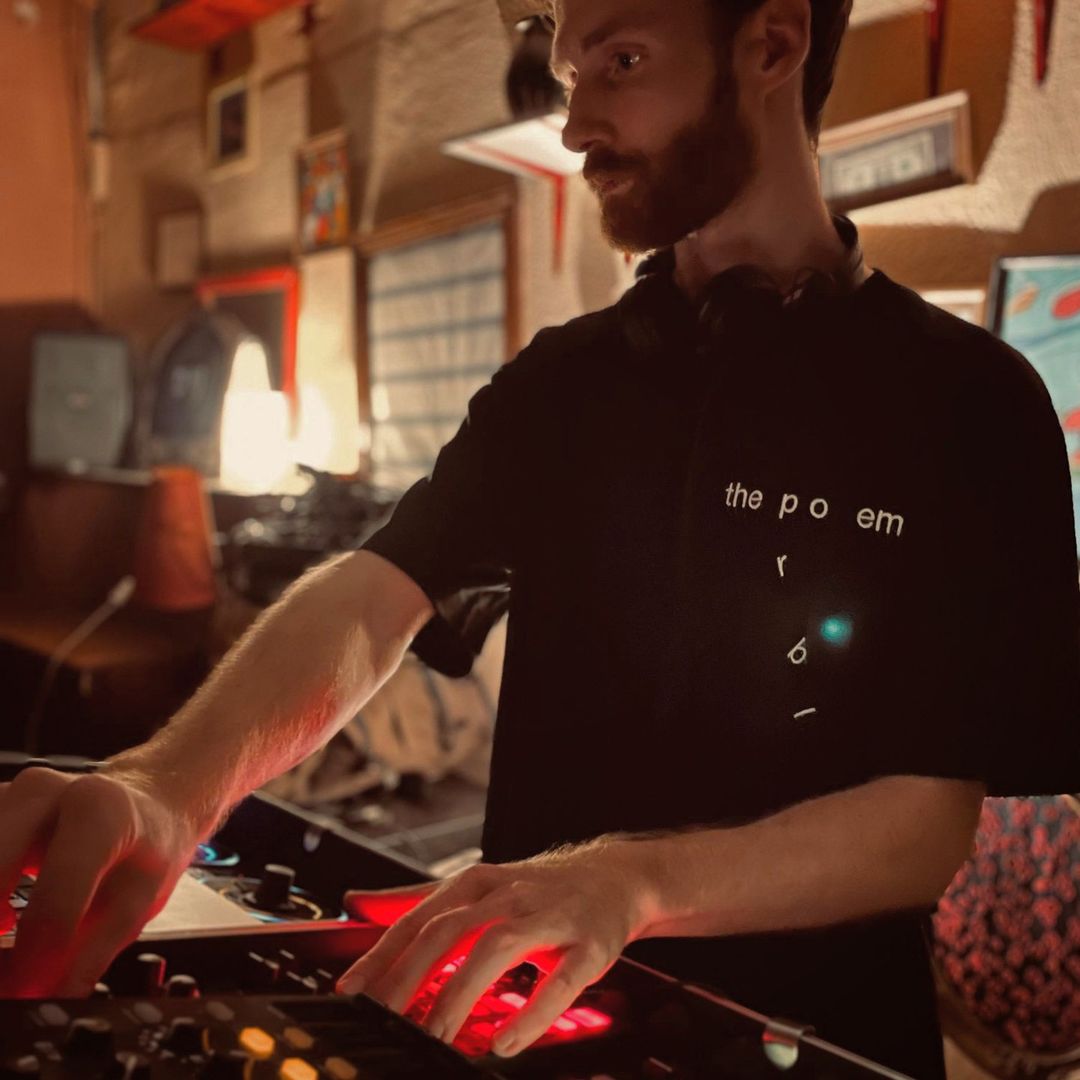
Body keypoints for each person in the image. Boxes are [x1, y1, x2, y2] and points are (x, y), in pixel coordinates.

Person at [2, 0, 1078, 1075]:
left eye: (622, 60)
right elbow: (374, 593)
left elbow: (927, 824)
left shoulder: (972, 404)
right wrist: (168, 783)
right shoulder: (562, 384)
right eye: (571, 76)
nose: (575, 126)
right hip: (529, 1027)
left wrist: (632, 884)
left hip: (822, 1045)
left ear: (772, 44)